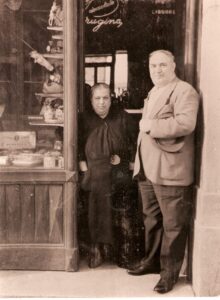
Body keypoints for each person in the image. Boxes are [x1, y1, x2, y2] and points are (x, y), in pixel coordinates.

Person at [127, 50, 199, 294]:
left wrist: (151, 125)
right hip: (148, 169)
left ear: (173, 66)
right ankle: (152, 263)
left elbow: (186, 123)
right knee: (152, 220)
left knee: (173, 226)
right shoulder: (154, 90)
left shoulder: (185, 91)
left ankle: (168, 276)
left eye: (162, 65)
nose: (157, 70)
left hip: (171, 170)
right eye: (153, 66)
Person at [78, 83, 136, 268]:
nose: (102, 103)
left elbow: (135, 144)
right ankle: (96, 250)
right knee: (93, 211)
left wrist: (124, 160)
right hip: (93, 175)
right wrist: (84, 168)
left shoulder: (123, 118)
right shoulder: (83, 119)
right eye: (97, 98)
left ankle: (120, 253)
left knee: (122, 212)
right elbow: (75, 145)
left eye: (105, 98)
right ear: (91, 100)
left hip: (118, 174)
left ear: (111, 99)